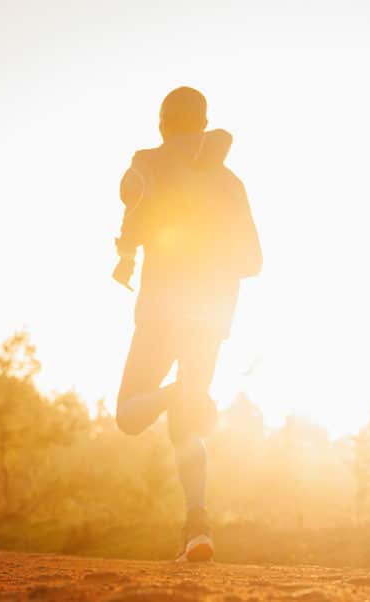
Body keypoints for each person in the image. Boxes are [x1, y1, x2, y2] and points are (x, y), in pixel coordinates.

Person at [111, 86, 261, 562]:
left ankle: (179, 395)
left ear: (161, 125)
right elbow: (254, 261)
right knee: (188, 426)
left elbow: (133, 215)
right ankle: (198, 528)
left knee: (130, 414)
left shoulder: (147, 167)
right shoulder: (230, 183)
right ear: (203, 125)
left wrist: (127, 255)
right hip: (211, 318)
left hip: (160, 313)